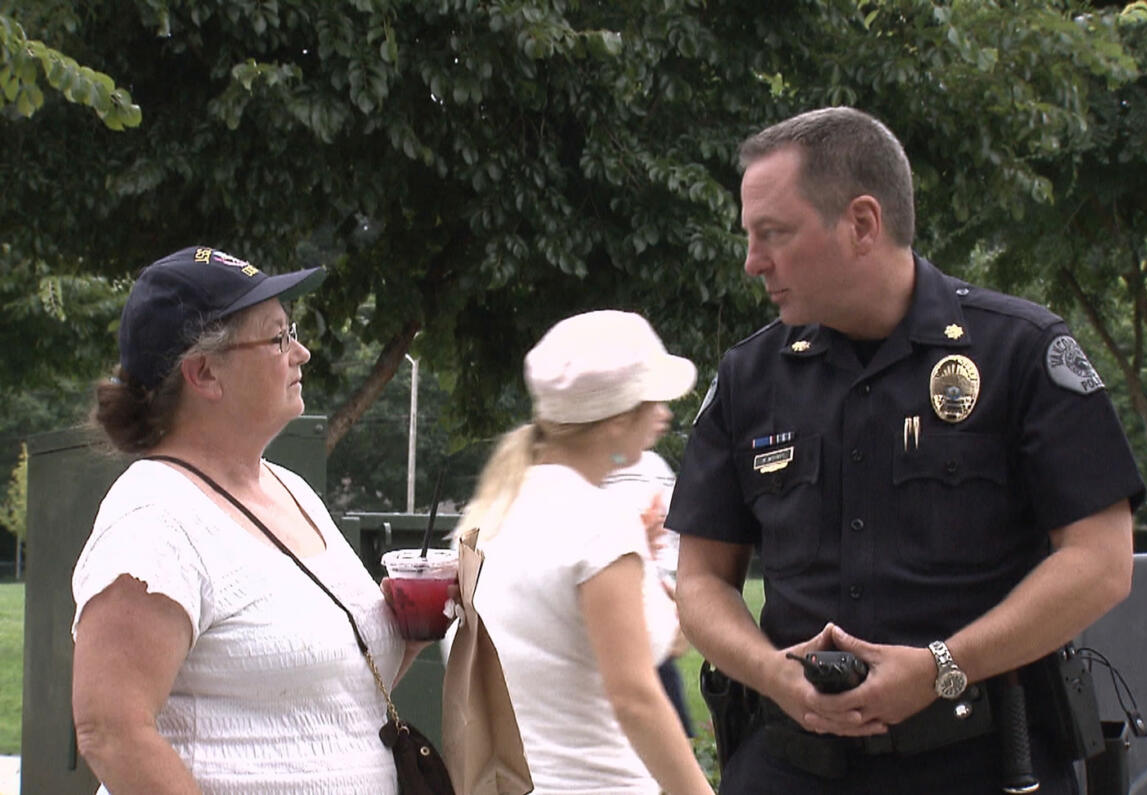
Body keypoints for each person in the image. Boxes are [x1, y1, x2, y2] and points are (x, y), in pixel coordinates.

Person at [668, 107, 1146, 794]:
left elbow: (1101, 563)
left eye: (774, 234)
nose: (753, 262)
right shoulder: (751, 378)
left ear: (862, 223)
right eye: (750, 236)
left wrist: (942, 666)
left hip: (981, 760)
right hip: (788, 765)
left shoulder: (1019, 351)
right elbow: (701, 580)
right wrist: (773, 673)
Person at [71, 246, 422, 794]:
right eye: (278, 337)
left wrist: (414, 628)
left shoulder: (292, 490)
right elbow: (111, 733)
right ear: (205, 373)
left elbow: (332, 694)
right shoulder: (154, 520)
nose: (301, 352)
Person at [456, 310, 714, 795]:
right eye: (651, 400)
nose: (665, 413)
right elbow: (635, 698)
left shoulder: (486, 516)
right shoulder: (600, 524)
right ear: (617, 418)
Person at [604, 445, 695, 738]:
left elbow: (678, 537)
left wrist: (674, 594)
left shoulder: (654, 468)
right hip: (620, 624)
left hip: (651, 616)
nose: (663, 415)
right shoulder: (588, 473)